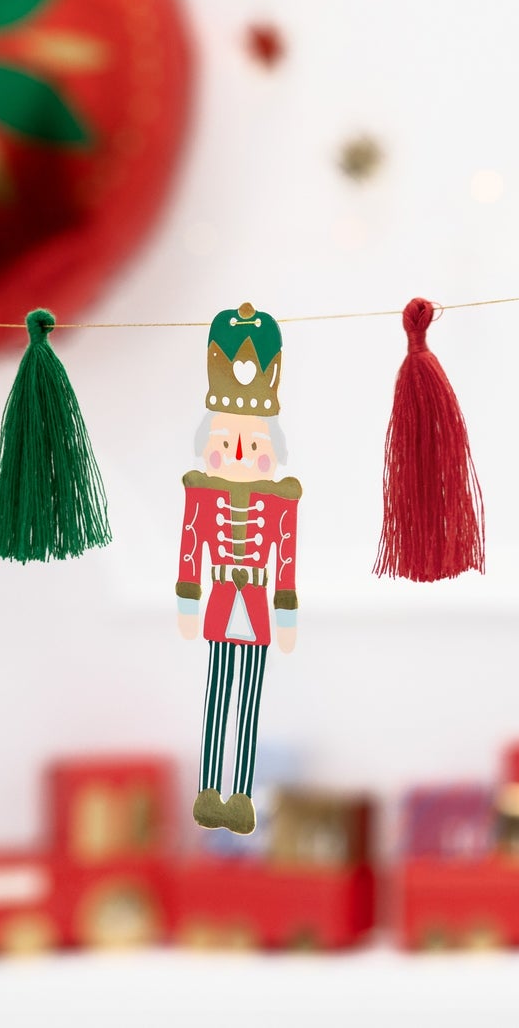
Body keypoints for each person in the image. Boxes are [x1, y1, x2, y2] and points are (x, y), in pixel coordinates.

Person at [174, 302, 300, 833]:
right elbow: (190, 544)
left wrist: (286, 613)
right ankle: (208, 789)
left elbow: (286, 557)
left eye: (251, 444)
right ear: (211, 447)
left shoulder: (279, 501)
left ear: (271, 450)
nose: (240, 450)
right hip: (222, 598)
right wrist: (187, 596)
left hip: (257, 606)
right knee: (216, 698)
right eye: (227, 443)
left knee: (248, 705)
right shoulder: (200, 494)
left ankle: (239, 795)